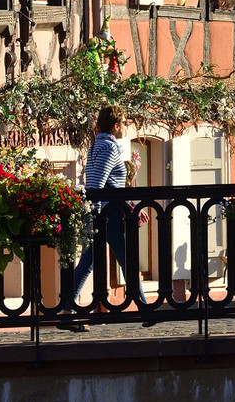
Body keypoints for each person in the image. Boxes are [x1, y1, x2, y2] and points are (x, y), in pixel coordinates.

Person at [65, 106, 146, 327]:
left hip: (102, 212)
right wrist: (96, 215)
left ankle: (66, 308)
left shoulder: (95, 147)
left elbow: (103, 182)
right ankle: (146, 310)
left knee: (87, 263)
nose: (125, 128)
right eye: (124, 123)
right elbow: (98, 185)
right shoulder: (110, 148)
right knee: (127, 262)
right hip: (108, 213)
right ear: (116, 125)